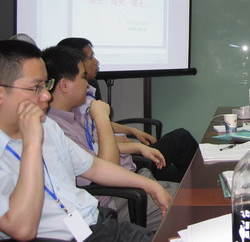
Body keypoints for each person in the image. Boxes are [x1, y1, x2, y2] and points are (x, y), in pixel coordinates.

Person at [0, 39, 171, 241]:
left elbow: (94, 167)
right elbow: (22, 230)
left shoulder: (48, 126)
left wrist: (151, 186)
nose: (46, 95)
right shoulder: (34, 134)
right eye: (35, 87)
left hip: (94, 223)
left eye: (46, 84)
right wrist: (31, 144)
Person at [43, 46, 178, 231]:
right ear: (65, 85)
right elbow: (105, 170)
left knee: (194, 195)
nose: (88, 85)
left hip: (128, 183)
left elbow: (96, 157)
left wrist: (136, 150)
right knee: (189, 208)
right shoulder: (55, 127)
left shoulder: (73, 115)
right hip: (114, 200)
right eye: (83, 77)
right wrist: (102, 118)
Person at [57, 37, 198, 183]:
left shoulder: (81, 102)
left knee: (183, 175)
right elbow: (98, 153)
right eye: (91, 57)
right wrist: (132, 145)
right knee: (181, 140)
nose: (96, 61)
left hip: (126, 162)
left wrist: (132, 133)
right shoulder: (69, 115)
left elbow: (95, 138)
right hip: (123, 170)